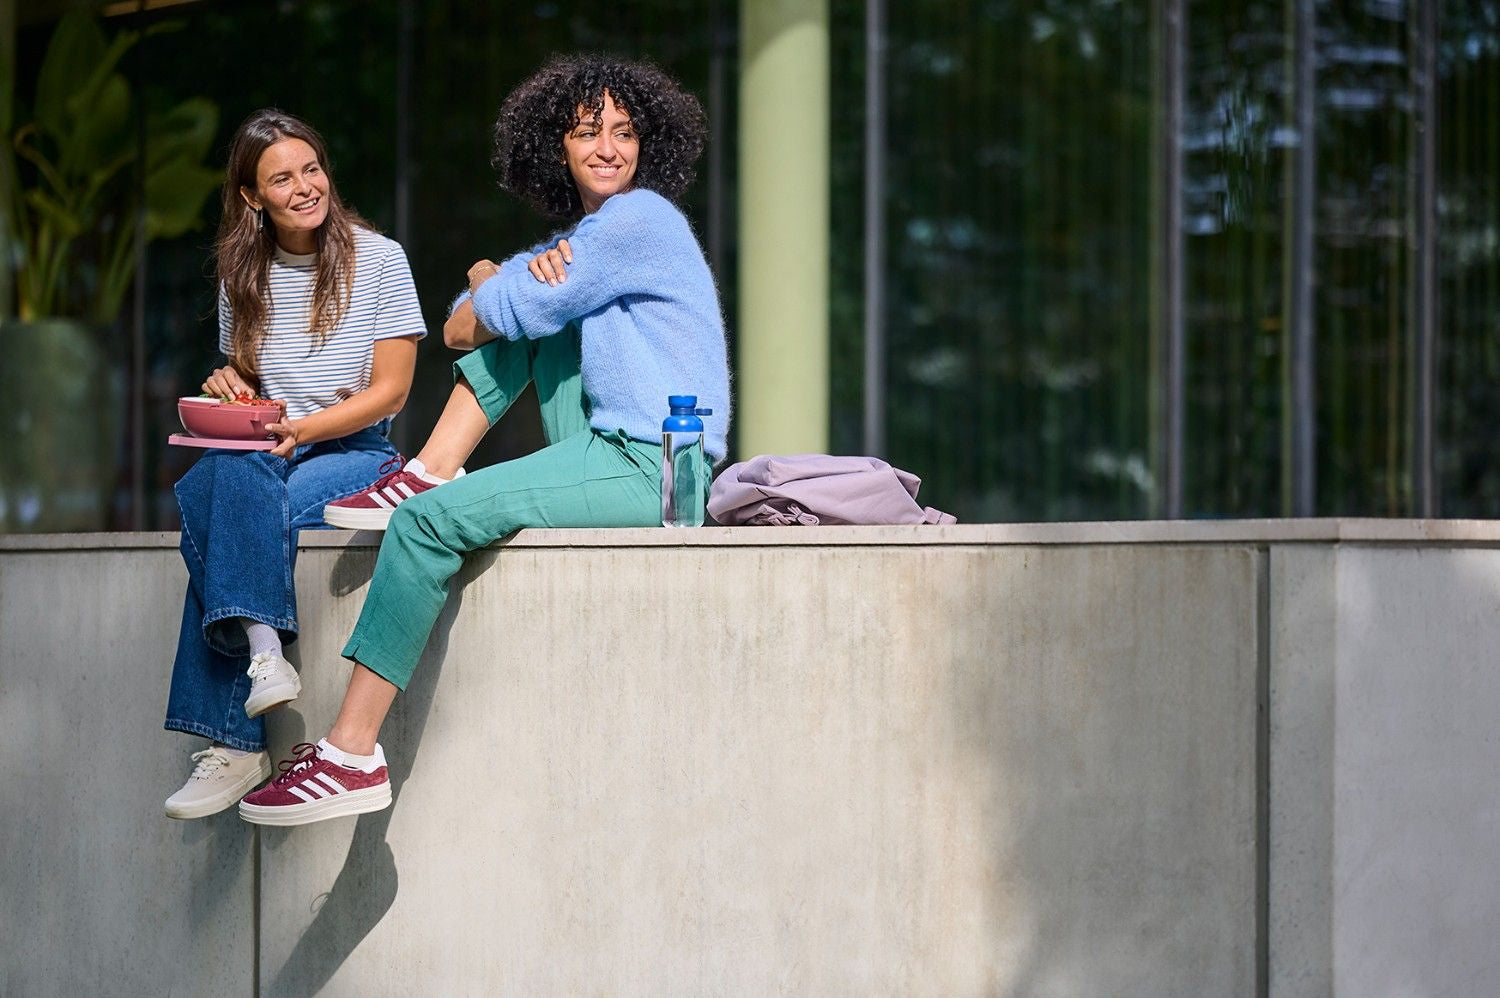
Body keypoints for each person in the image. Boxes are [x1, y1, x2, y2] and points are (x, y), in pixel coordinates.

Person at [237, 55, 730, 826]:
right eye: (588, 131)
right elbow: (463, 325)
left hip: (658, 464)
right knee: (535, 329)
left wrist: (488, 275)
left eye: (626, 132)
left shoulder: (639, 221)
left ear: (649, 144)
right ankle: (431, 467)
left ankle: (351, 752)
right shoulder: (586, 240)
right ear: (556, 146)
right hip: (613, 444)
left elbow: (488, 308)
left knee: (426, 523)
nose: (609, 148)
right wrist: (498, 286)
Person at [163, 109, 426, 820]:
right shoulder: (240, 273)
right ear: (253, 197)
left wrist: (310, 424)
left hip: (354, 451)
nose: (306, 186)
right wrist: (229, 384)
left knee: (227, 507)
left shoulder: (379, 258)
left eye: (311, 169)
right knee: (221, 475)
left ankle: (234, 740)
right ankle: (263, 655)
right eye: (282, 178)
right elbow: (251, 381)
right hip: (268, 450)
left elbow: (392, 390)